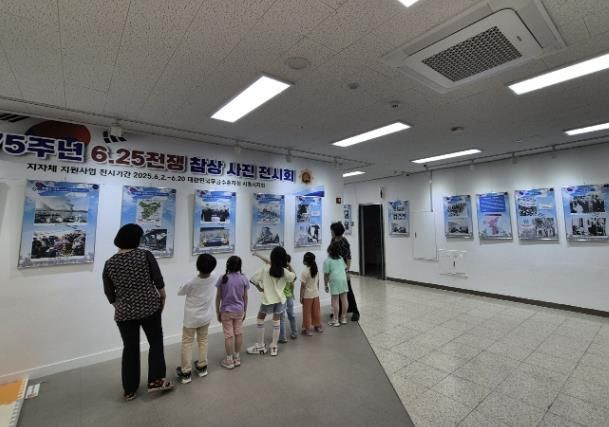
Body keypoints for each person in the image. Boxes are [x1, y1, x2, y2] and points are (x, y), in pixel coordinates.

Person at [102, 224, 173, 401]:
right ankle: (156, 381)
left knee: (130, 348)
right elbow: (158, 279)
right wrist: (162, 296)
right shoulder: (145, 255)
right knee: (155, 342)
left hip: (124, 314)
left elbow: (109, 292)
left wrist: (120, 305)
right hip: (150, 307)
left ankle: (130, 389)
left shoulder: (109, 263)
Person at [175, 254, 218, 384]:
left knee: (187, 343)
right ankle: (202, 366)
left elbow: (180, 292)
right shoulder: (214, 278)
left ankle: (186, 372)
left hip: (191, 319)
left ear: (197, 266)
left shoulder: (192, 282)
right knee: (203, 340)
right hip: (205, 317)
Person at [248, 247, 296, 357]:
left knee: (260, 319)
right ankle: (274, 347)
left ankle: (260, 346)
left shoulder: (265, 269)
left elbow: (253, 279)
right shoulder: (284, 271)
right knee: (276, 322)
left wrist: (260, 288)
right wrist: (288, 265)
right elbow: (293, 277)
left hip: (267, 300)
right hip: (280, 300)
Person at [254, 252, 298, 342]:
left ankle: (282, 337)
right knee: (291, 316)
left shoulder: (278, 270)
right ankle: (294, 332)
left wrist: (258, 255)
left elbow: (267, 261)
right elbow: (294, 279)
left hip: (281, 298)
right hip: (287, 297)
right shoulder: (286, 271)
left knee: (281, 319)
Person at [215, 256, 249, 369]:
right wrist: (245, 311)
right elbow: (245, 297)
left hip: (226, 311)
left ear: (228, 265)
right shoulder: (243, 278)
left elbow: (218, 297)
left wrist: (218, 312)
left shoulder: (223, 278)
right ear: (240, 266)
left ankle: (229, 360)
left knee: (228, 335)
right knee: (238, 333)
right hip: (239, 310)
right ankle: (237, 358)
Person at [330, 221, 360, 321]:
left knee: (348, 291)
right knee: (338, 291)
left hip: (342, 270)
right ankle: (339, 311)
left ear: (336, 231)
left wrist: (346, 271)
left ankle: (355, 312)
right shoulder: (333, 240)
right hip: (335, 269)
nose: (331, 232)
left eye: (332, 230)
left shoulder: (344, 242)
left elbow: (348, 257)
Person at [324, 241, 349, 327]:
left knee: (335, 301)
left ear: (329, 250)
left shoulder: (327, 260)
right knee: (344, 300)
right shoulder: (341, 258)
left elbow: (326, 275)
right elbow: (345, 269)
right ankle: (344, 318)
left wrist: (325, 285)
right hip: (343, 280)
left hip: (334, 280)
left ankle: (335, 320)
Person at [300, 252, 322, 336]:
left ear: (305, 261)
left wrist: (301, 296)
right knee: (316, 311)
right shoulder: (316, 270)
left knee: (307, 312)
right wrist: (317, 291)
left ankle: (307, 330)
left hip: (307, 296)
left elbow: (303, 286)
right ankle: (318, 326)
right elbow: (318, 282)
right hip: (315, 294)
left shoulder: (304, 272)